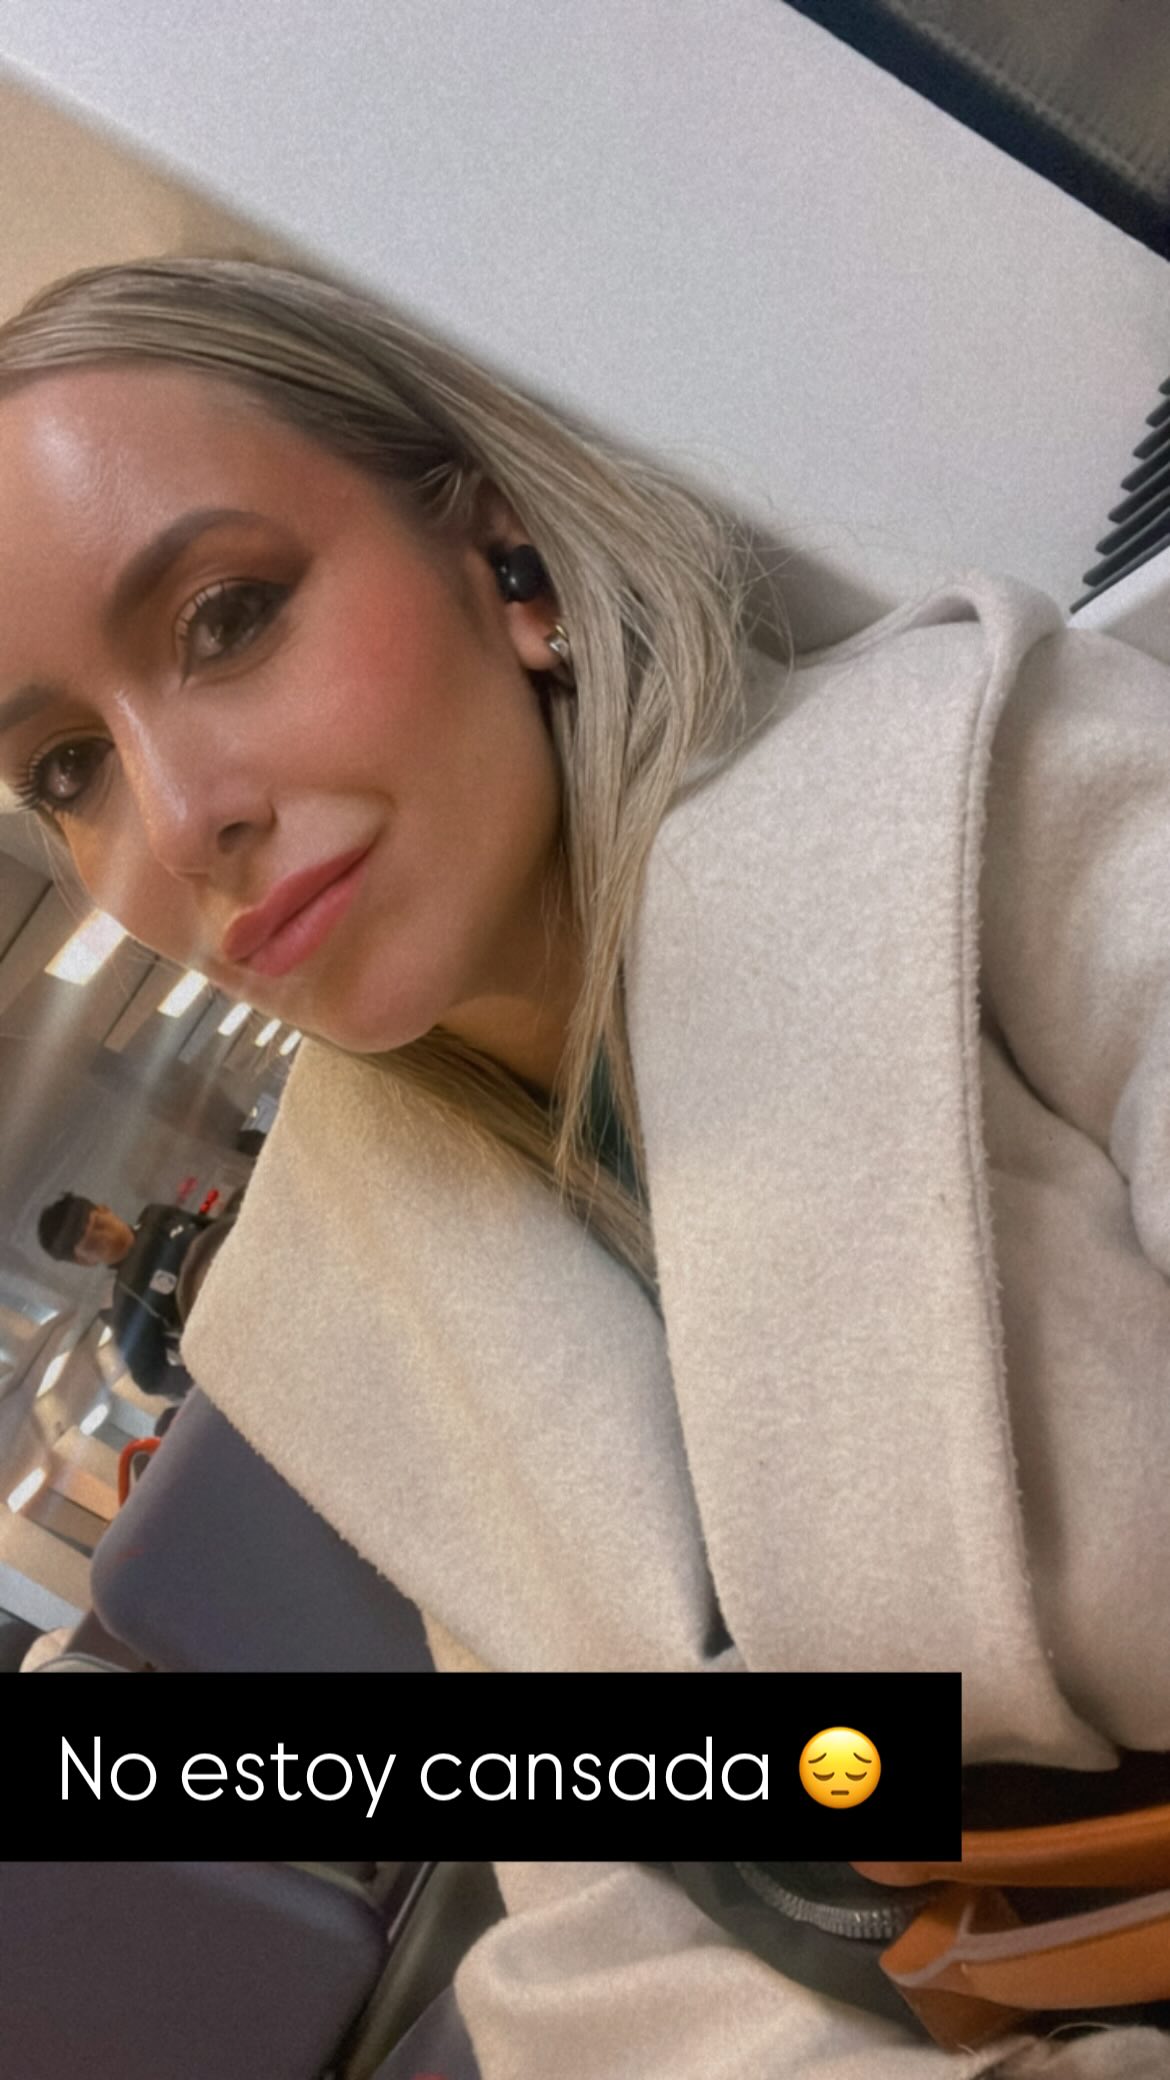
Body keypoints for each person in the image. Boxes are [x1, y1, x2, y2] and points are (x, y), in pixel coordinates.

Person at [0, 257, 1168, 2073]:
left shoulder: (992, 786)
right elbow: (617, 1932)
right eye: (69, 767)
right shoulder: (348, 1304)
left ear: (510, 562)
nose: (177, 817)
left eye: (227, 617)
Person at [36, 1191, 212, 1397]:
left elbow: (211, 1227)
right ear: (83, 1261)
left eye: (99, 1225)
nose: (105, 1238)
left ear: (105, 1210)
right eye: (91, 1245)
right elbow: (151, 1378)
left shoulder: (158, 1217)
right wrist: (211, 1378)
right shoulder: (127, 1305)